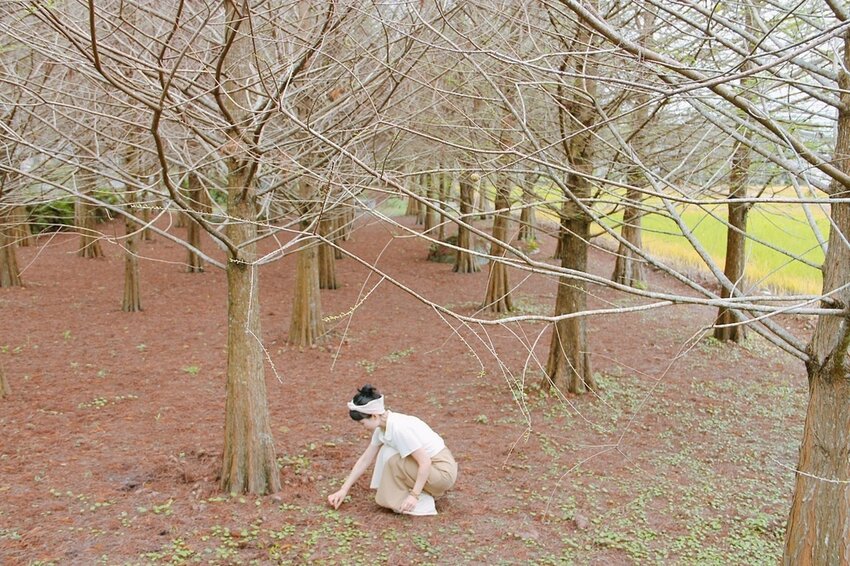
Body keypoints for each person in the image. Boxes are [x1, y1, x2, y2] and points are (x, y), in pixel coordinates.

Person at [327, 384, 458, 516]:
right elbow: (365, 459)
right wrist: (343, 490)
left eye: (362, 423)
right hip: (433, 470)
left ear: (374, 416)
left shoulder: (398, 428)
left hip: (442, 472)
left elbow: (425, 462)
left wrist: (414, 495)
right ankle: (410, 493)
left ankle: (422, 501)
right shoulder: (383, 427)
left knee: (392, 458)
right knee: (387, 451)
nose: (363, 427)